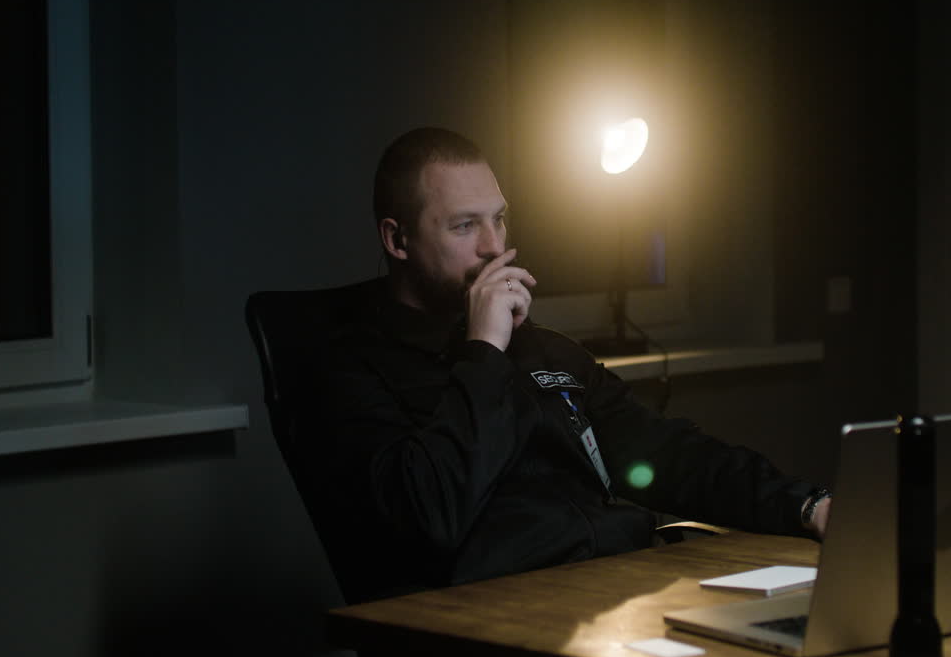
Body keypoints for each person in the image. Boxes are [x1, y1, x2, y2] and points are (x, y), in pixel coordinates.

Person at [300, 126, 832, 609]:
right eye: (464, 226)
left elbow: (664, 452)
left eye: (499, 219)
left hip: (619, 591)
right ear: (398, 240)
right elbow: (425, 518)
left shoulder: (543, 352)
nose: (493, 247)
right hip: (502, 618)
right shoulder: (348, 370)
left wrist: (806, 505)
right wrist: (482, 350)